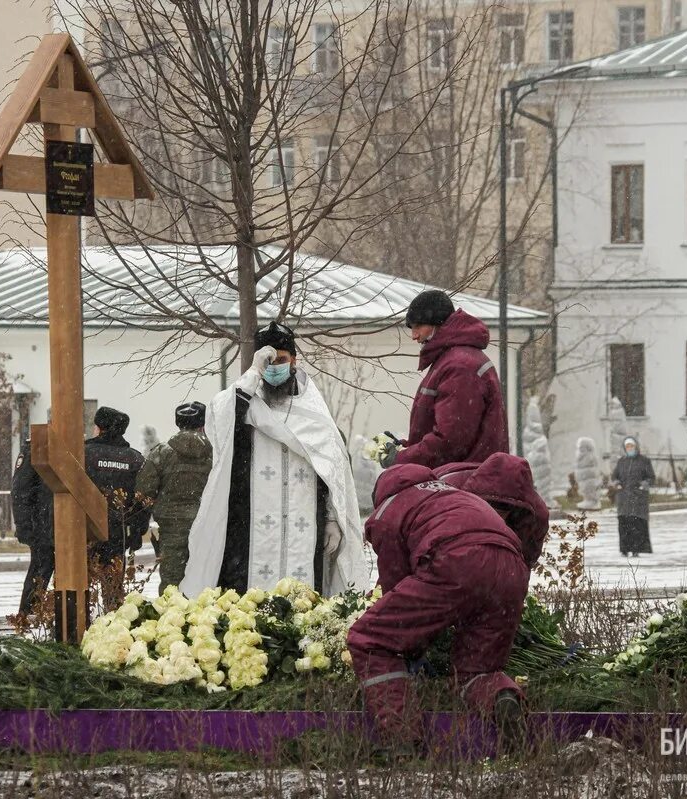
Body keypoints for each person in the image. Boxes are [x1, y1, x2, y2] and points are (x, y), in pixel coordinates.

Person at [346, 455, 547, 756]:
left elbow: (396, 583)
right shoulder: (454, 494)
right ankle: (502, 699)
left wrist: (410, 643)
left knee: (371, 641)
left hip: (456, 562)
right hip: (511, 567)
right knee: (476, 669)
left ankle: (403, 739)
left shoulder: (388, 510)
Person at [181, 322, 368, 598]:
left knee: (303, 609)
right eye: (267, 361)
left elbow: (332, 471)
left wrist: (332, 519)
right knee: (249, 613)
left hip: (306, 531)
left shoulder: (316, 416)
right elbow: (219, 417)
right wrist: (253, 373)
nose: (274, 367)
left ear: (294, 361)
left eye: (281, 359)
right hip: (248, 531)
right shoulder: (245, 408)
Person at [382, 290, 508, 470]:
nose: (414, 335)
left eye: (418, 326)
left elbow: (451, 442)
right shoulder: (453, 360)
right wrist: (404, 447)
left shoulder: (460, 367)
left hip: (464, 484)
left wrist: (402, 458)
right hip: (462, 480)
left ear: (438, 323)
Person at [135, 402, 213, 590]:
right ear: (203, 424)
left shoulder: (162, 453)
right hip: (208, 526)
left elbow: (143, 491)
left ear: (178, 423)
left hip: (172, 528)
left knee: (172, 584)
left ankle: (173, 617)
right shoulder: (216, 452)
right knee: (207, 581)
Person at [84, 407, 150, 608]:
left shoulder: (82, 453)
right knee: (113, 591)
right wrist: (137, 531)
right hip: (119, 533)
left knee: (81, 588)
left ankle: (80, 629)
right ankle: (112, 626)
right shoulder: (135, 459)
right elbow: (143, 499)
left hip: (85, 531)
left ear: (98, 428)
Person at [12, 434, 55, 615]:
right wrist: (24, 526)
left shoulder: (74, 447)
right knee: (40, 570)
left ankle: (40, 618)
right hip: (42, 525)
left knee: (42, 570)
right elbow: (20, 492)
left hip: (56, 523)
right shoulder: (35, 449)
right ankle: (28, 617)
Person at [612, 436, 655, 557]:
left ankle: (636, 549)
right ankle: (624, 549)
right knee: (624, 524)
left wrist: (644, 485)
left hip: (638, 499)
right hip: (624, 499)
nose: (629, 448)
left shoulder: (644, 461)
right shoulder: (621, 461)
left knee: (637, 524)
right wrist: (617, 484)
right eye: (627, 446)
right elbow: (615, 476)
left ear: (636, 447)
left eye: (631, 446)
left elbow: (651, 477)